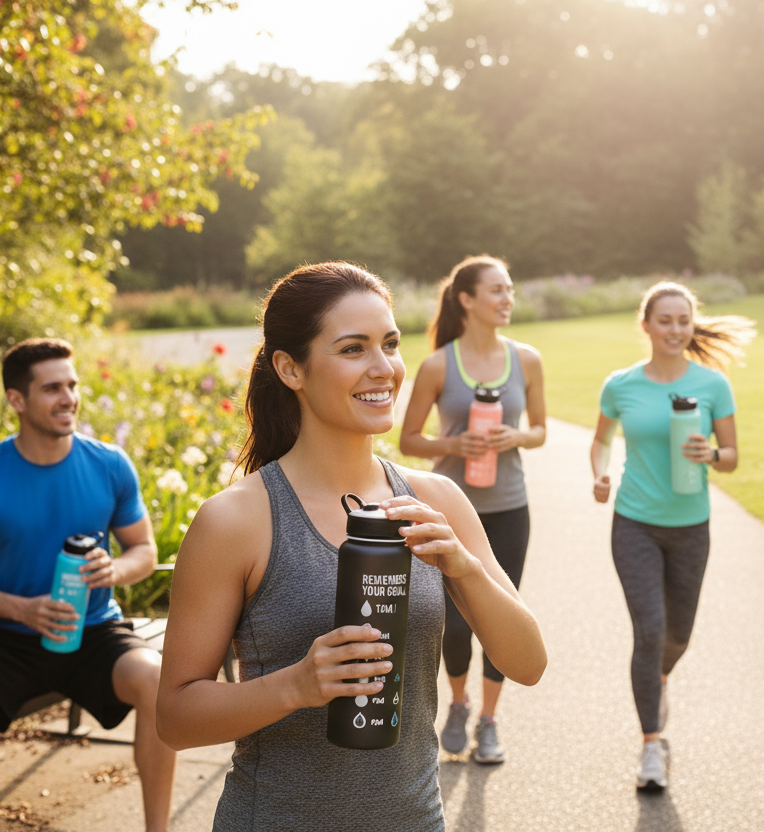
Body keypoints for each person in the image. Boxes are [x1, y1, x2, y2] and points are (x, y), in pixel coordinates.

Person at [155, 262, 546, 831]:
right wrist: (295, 685)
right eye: (353, 349)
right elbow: (175, 716)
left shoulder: (437, 500)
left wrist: (465, 570)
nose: (384, 368)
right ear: (291, 368)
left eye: (390, 343)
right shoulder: (236, 520)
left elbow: (528, 663)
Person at [0, 338, 175, 832]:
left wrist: (115, 570)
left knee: (158, 683)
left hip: (95, 633)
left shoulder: (109, 464)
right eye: (53, 388)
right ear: (17, 400)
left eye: (73, 385)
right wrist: (22, 610)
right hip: (8, 639)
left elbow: (144, 551)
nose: (69, 398)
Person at [590, 281, 752, 791]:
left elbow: (732, 458)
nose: (676, 330)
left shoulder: (713, 385)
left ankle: (659, 680)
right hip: (634, 521)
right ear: (646, 325)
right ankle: (651, 746)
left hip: (691, 527)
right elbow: (600, 440)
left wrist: (711, 456)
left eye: (684, 321)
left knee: (678, 635)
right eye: (666, 321)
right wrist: (599, 473)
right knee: (651, 630)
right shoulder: (621, 384)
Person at [399, 255, 546, 764]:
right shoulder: (439, 365)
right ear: (467, 299)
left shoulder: (526, 359)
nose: (508, 299)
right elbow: (410, 438)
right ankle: (459, 704)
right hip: (451, 510)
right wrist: (454, 445)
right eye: (497, 291)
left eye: (510, 290)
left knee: (501, 616)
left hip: (509, 507)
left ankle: (489, 719)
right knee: (456, 625)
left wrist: (517, 435)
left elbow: (541, 430)